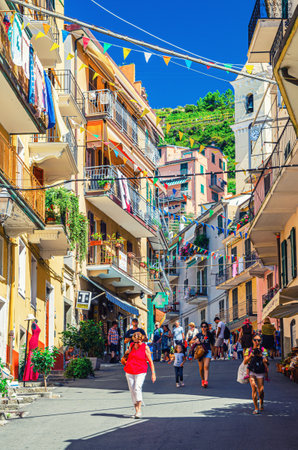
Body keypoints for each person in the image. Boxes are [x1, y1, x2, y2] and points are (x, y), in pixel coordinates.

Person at [124, 331, 156, 419]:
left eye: (139, 341)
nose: (138, 343)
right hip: (129, 370)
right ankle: (136, 410)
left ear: (142, 340)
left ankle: (139, 410)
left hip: (141, 370)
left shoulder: (145, 347)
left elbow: (150, 361)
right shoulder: (131, 346)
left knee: (137, 388)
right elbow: (127, 355)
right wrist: (127, 353)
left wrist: (153, 373)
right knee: (132, 390)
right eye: (136, 342)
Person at [244, 334, 269, 414]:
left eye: (258, 340)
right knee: (254, 387)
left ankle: (261, 401)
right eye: (255, 340)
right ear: (252, 340)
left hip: (260, 370)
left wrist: (262, 357)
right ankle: (256, 408)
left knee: (260, 390)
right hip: (252, 370)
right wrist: (251, 355)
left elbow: (266, 361)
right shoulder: (249, 350)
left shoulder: (263, 350)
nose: (257, 342)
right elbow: (245, 362)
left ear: (260, 341)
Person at [191, 321, 214, 388]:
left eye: (205, 326)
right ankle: (203, 380)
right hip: (200, 352)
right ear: (201, 328)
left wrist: (214, 353)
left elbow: (212, 344)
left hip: (207, 351)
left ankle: (206, 381)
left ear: (207, 328)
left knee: (206, 366)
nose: (203, 328)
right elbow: (190, 341)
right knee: (201, 369)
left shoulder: (209, 335)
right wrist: (196, 341)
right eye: (202, 327)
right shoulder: (199, 335)